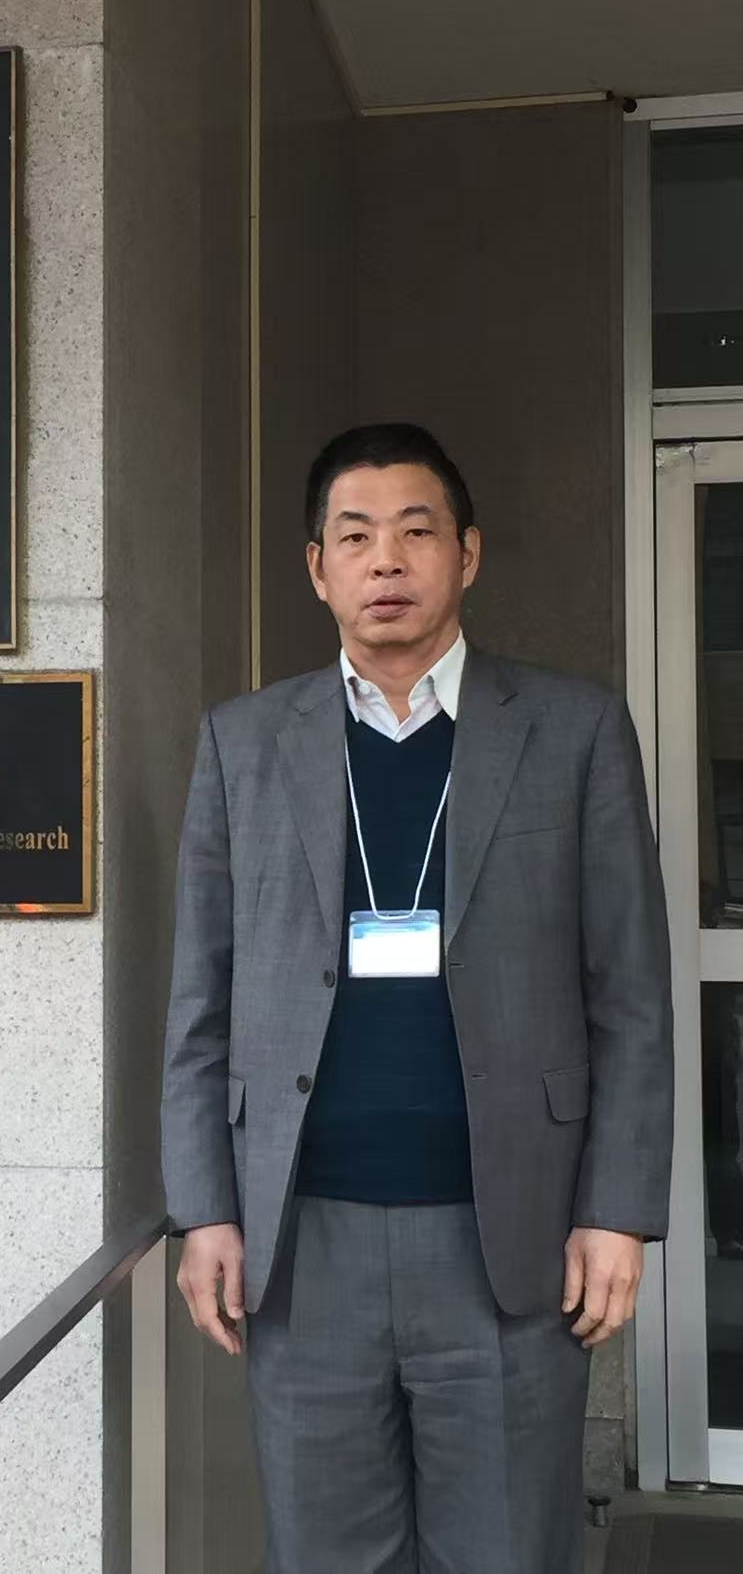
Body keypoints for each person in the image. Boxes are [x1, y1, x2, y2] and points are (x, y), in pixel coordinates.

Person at [160, 424, 674, 1574]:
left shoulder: (573, 730)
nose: (384, 558)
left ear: (467, 553)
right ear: (317, 568)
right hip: (303, 1242)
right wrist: (203, 1208)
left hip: (508, 1237)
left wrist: (618, 1207)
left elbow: (630, 994)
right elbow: (201, 998)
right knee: (326, 1552)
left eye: (414, 530)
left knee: (505, 1548)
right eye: (354, 536)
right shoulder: (245, 741)